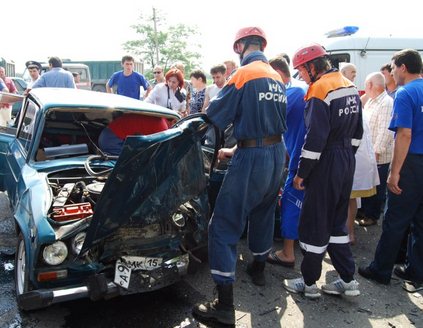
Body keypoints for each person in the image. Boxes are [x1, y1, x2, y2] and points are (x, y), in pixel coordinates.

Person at [192, 26, 287, 326]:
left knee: (222, 225)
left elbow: (215, 114)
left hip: (253, 155)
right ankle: (257, 268)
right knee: (263, 211)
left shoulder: (244, 74)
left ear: (240, 47)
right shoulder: (275, 75)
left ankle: (224, 305)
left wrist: (187, 130)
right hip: (277, 154)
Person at [282, 43, 363, 298]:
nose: (302, 78)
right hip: (347, 159)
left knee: (315, 222)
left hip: (326, 161)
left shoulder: (319, 89)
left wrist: (302, 173)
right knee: (337, 223)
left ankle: (308, 284)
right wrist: (345, 159)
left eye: (302, 72)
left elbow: (314, 139)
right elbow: (358, 133)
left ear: (312, 66)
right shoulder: (348, 85)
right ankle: (348, 279)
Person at [359, 49, 423, 292]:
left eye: (394, 68)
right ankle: (416, 270)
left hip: (411, 162)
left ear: (403, 67)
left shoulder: (405, 93)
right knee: (421, 221)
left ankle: (381, 269)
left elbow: (404, 134)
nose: (392, 73)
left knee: (395, 219)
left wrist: (395, 172)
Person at [266, 55, 307, 268]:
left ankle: (288, 253)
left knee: (290, 201)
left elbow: (268, 124)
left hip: (301, 159)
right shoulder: (299, 88)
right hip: (302, 154)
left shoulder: (291, 92)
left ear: (278, 74)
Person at [358, 72, 394, 227]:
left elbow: (385, 130)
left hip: (378, 155)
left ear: (371, 85)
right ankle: (365, 211)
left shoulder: (386, 102)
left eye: (366, 84)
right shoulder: (373, 101)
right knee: (369, 185)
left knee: (377, 188)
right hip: (369, 153)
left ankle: (372, 215)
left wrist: (377, 152)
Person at [98, 113, 168, 155]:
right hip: (112, 139)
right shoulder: (163, 127)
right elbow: (162, 151)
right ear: (173, 121)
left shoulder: (160, 118)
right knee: (127, 163)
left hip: (108, 134)